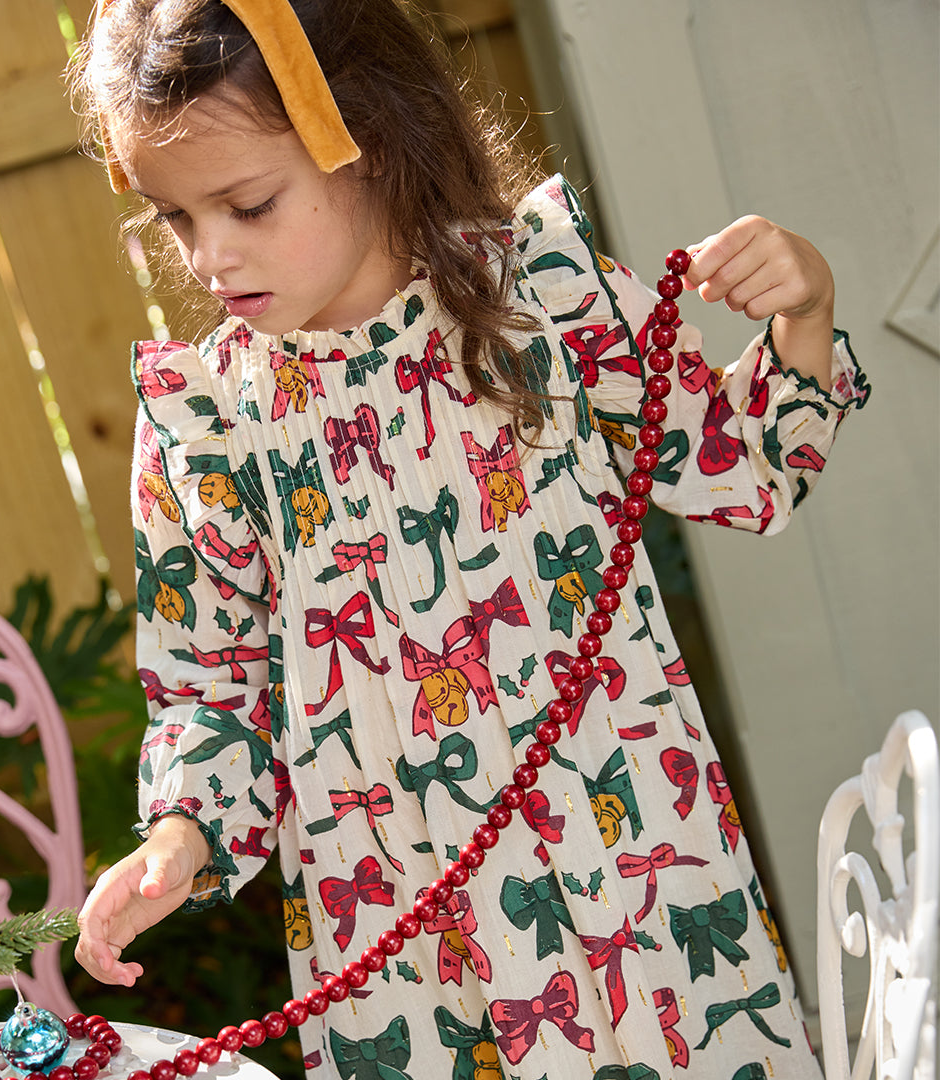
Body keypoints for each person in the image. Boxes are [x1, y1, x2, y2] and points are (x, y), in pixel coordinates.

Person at [72, 1, 869, 1076]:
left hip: (634, 873)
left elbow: (748, 468)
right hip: (403, 931)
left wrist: (802, 310)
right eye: (175, 219)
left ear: (373, 139)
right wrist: (179, 838)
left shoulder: (542, 296)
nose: (210, 255)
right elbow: (206, 685)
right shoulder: (207, 418)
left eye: (249, 204)